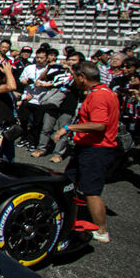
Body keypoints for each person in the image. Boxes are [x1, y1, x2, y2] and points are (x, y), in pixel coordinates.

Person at [54, 61, 119, 243]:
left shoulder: (99, 96)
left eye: (74, 76)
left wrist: (67, 127)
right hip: (87, 147)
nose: (73, 80)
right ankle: (66, 213)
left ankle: (101, 229)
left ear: (82, 77)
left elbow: (99, 124)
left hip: (96, 149)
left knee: (91, 191)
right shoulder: (104, 92)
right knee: (68, 181)